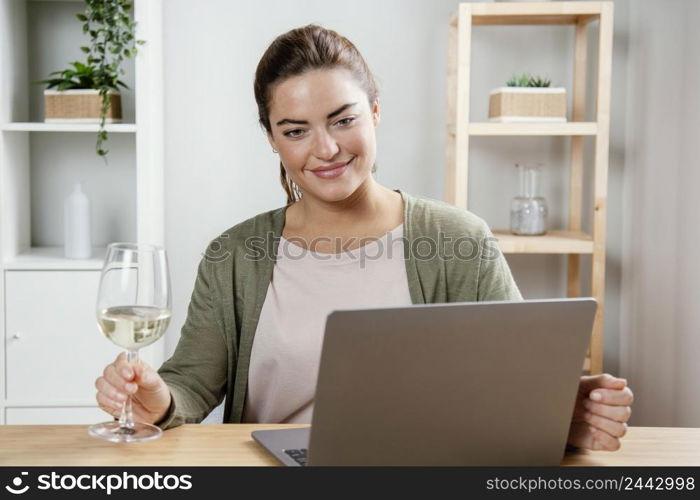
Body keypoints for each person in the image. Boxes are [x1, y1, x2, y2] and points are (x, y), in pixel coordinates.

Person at [94, 24, 633, 452]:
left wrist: (563, 413)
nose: (325, 149)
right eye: (296, 130)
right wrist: (156, 399)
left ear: (374, 113)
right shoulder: (235, 253)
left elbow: (516, 382)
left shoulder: (458, 240)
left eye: (342, 119)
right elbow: (190, 383)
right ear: (272, 139)